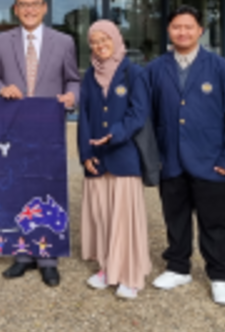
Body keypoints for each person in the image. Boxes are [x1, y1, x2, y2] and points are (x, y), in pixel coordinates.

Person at [146, 5, 225, 306]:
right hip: (171, 160)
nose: (183, 32)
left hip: (211, 162)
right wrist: (153, 158)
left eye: (188, 27)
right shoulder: (155, 69)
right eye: (177, 27)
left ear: (200, 30)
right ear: (169, 30)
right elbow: (147, 117)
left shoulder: (221, 68)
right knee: (175, 219)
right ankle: (178, 267)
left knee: (214, 222)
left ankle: (220, 276)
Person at [0, 0, 80, 287]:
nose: (29, 9)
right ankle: (23, 254)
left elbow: (73, 80)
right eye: (23, 4)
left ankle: (48, 257)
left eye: (34, 4)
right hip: (13, 129)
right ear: (16, 10)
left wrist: (71, 97)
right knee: (18, 188)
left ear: (44, 7)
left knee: (48, 189)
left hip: (48, 130)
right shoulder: (1, 41)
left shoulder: (63, 41)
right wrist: (2, 89)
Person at [78, 20, 152, 300]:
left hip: (123, 155)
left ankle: (130, 276)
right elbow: (84, 116)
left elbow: (139, 113)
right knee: (103, 216)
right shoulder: (89, 75)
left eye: (105, 39)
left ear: (116, 39)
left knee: (125, 218)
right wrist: (85, 153)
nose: (100, 46)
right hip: (97, 159)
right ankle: (108, 267)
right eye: (94, 42)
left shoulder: (134, 72)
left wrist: (116, 134)